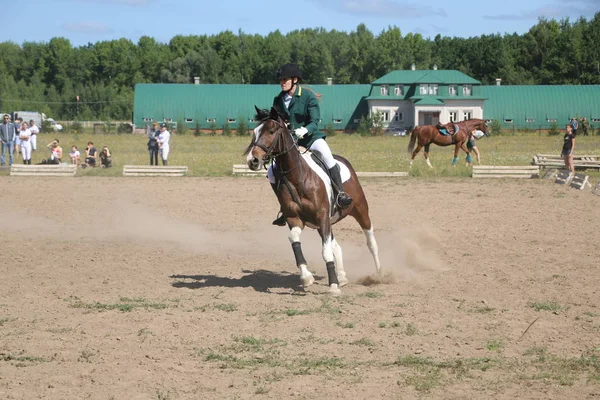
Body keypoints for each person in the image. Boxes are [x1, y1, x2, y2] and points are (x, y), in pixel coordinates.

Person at [269, 63, 352, 226]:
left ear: (295, 80)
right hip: (291, 144)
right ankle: (285, 206)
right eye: (280, 79)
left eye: (284, 79)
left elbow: (315, 121)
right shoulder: (278, 99)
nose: (282, 82)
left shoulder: (307, 96)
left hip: (311, 139)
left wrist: (304, 130)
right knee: (272, 172)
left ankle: (340, 194)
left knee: (328, 158)